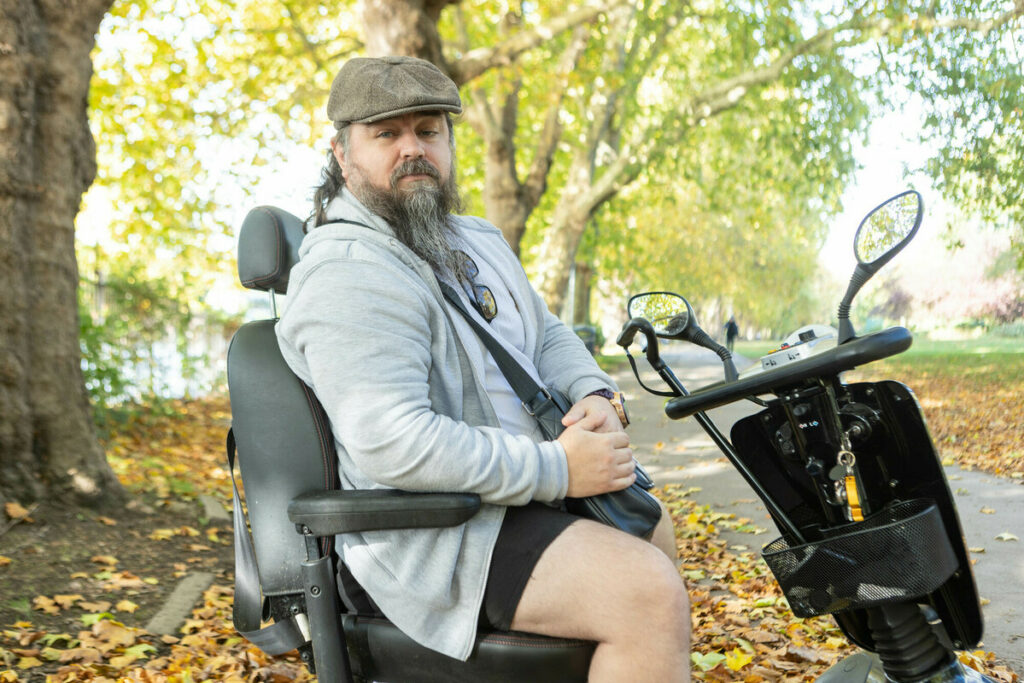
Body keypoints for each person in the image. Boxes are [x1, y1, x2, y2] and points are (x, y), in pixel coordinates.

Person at [275, 55, 690, 681]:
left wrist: (595, 391)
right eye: (386, 134)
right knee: (643, 592)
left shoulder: (473, 239)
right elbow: (394, 442)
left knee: (653, 526)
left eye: (428, 130)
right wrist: (557, 468)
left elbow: (545, 333)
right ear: (343, 154)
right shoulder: (348, 271)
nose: (412, 148)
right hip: (429, 532)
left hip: (507, 500)